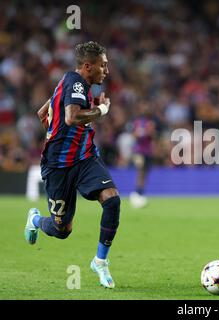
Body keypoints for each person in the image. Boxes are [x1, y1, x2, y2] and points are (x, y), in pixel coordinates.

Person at [24, 41, 120, 289]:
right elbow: (72, 117)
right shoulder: (76, 83)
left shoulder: (71, 83)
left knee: (112, 199)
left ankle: (100, 261)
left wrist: (55, 130)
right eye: (103, 66)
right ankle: (35, 220)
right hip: (58, 166)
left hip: (85, 157)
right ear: (88, 66)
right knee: (61, 229)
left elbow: (41, 113)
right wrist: (101, 110)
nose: (106, 71)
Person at [129, 101, 156, 208]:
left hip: (148, 150)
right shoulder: (137, 122)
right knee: (140, 169)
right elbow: (134, 135)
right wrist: (143, 133)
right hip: (138, 151)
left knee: (145, 173)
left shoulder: (151, 123)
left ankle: (140, 193)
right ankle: (137, 193)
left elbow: (152, 136)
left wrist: (148, 133)